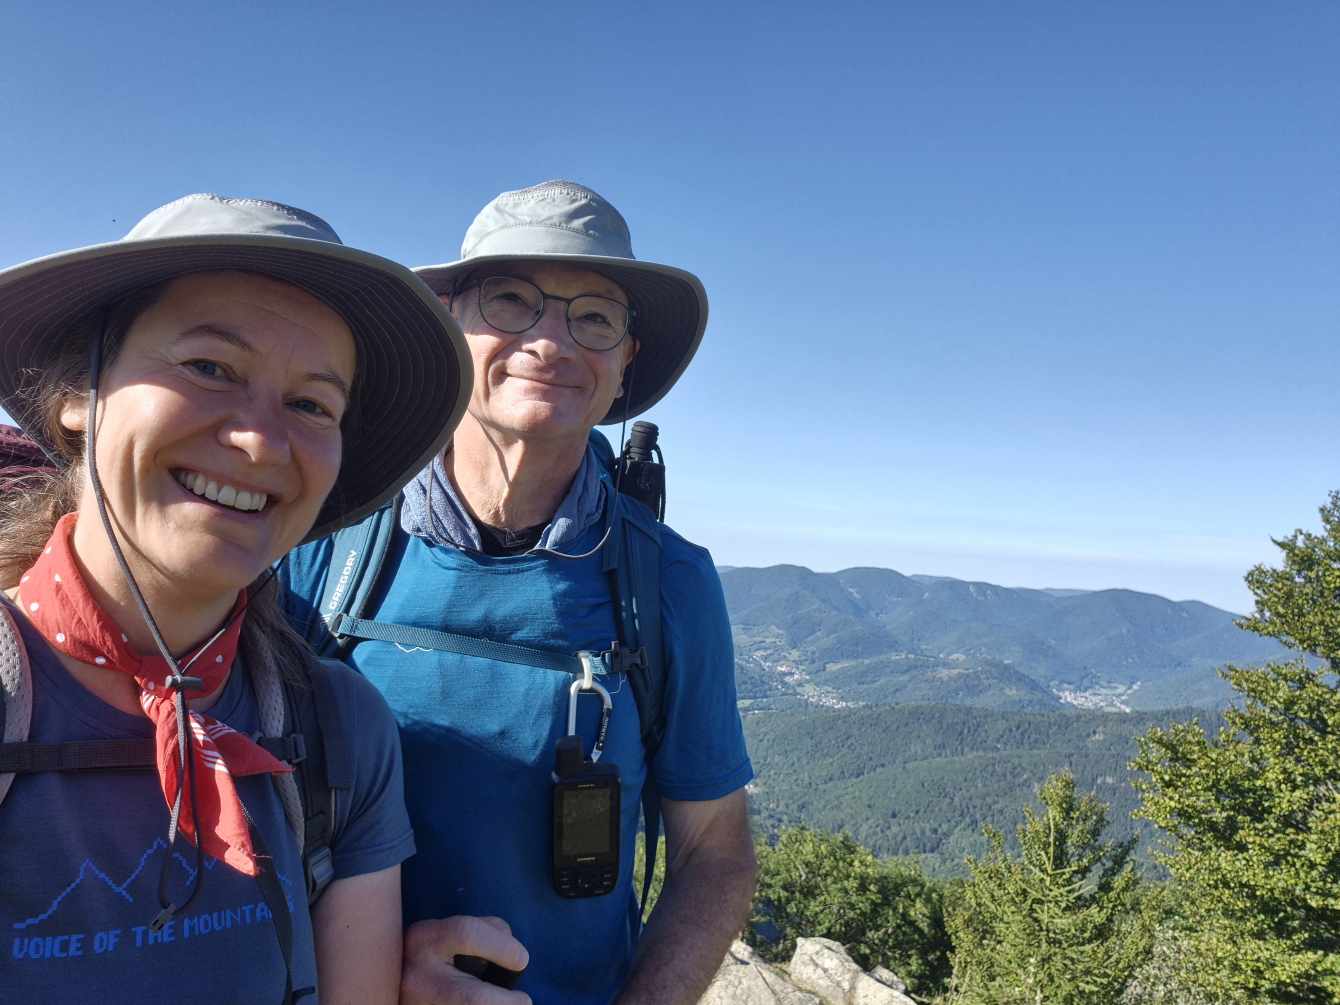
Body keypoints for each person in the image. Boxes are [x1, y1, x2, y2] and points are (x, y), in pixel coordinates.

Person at [282, 180, 756, 1005]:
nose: (549, 341)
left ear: (625, 361)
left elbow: (714, 851)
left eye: (595, 317)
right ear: (449, 325)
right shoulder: (318, 541)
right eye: (509, 300)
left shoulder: (670, 583)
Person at [0, 193, 471, 1003]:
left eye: (311, 404)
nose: (259, 440)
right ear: (79, 391)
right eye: (209, 367)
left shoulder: (338, 731)